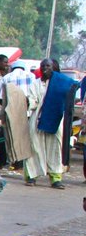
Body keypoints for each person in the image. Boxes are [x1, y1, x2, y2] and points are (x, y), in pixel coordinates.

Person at [29, 58, 77, 189]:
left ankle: (56, 179)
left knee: (55, 148)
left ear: (54, 68)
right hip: (38, 119)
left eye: (48, 66)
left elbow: (71, 94)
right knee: (34, 147)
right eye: (43, 66)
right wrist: (29, 103)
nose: (45, 68)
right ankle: (31, 176)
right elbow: (32, 100)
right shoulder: (36, 84)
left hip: (56, 119)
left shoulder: (61, 83)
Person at [0, 60, 37, 172]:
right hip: (27, 112)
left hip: (11, 113)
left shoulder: (6, 78)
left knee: (9, 137)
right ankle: (22, 164)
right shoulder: (31, 76)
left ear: (12, 68)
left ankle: (6, 161)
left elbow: (0, 98)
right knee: (25, 138)